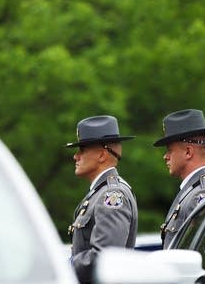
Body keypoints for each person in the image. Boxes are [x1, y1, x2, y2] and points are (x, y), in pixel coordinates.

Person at [66, 115, 138, 284]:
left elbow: (104, 257)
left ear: (101, 155)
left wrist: (64, 267)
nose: (75, 157)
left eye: (82, 150)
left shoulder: (112, 195)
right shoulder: (100, 192)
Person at [153, 108, 205, 249]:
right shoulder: (192, 191)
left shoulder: (202, 194)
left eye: (169, 149)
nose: (165, 156)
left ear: (188, 152)